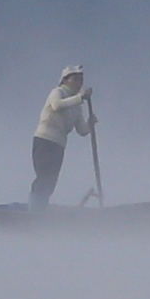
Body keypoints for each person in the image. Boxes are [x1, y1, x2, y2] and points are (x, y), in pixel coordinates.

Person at [29, 65, 96, 211]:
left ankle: (41, 210)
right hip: (44, 141)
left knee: (51, 180)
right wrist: (80, 98)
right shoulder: (57, 92)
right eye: (75, 79)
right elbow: (56, 106)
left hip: (59, 145)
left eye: (81, 80)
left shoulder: (77, 106)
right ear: (65, 80)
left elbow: (81, 130)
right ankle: (35, 212)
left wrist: (90, 125)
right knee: (44, 177)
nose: (79, 83)